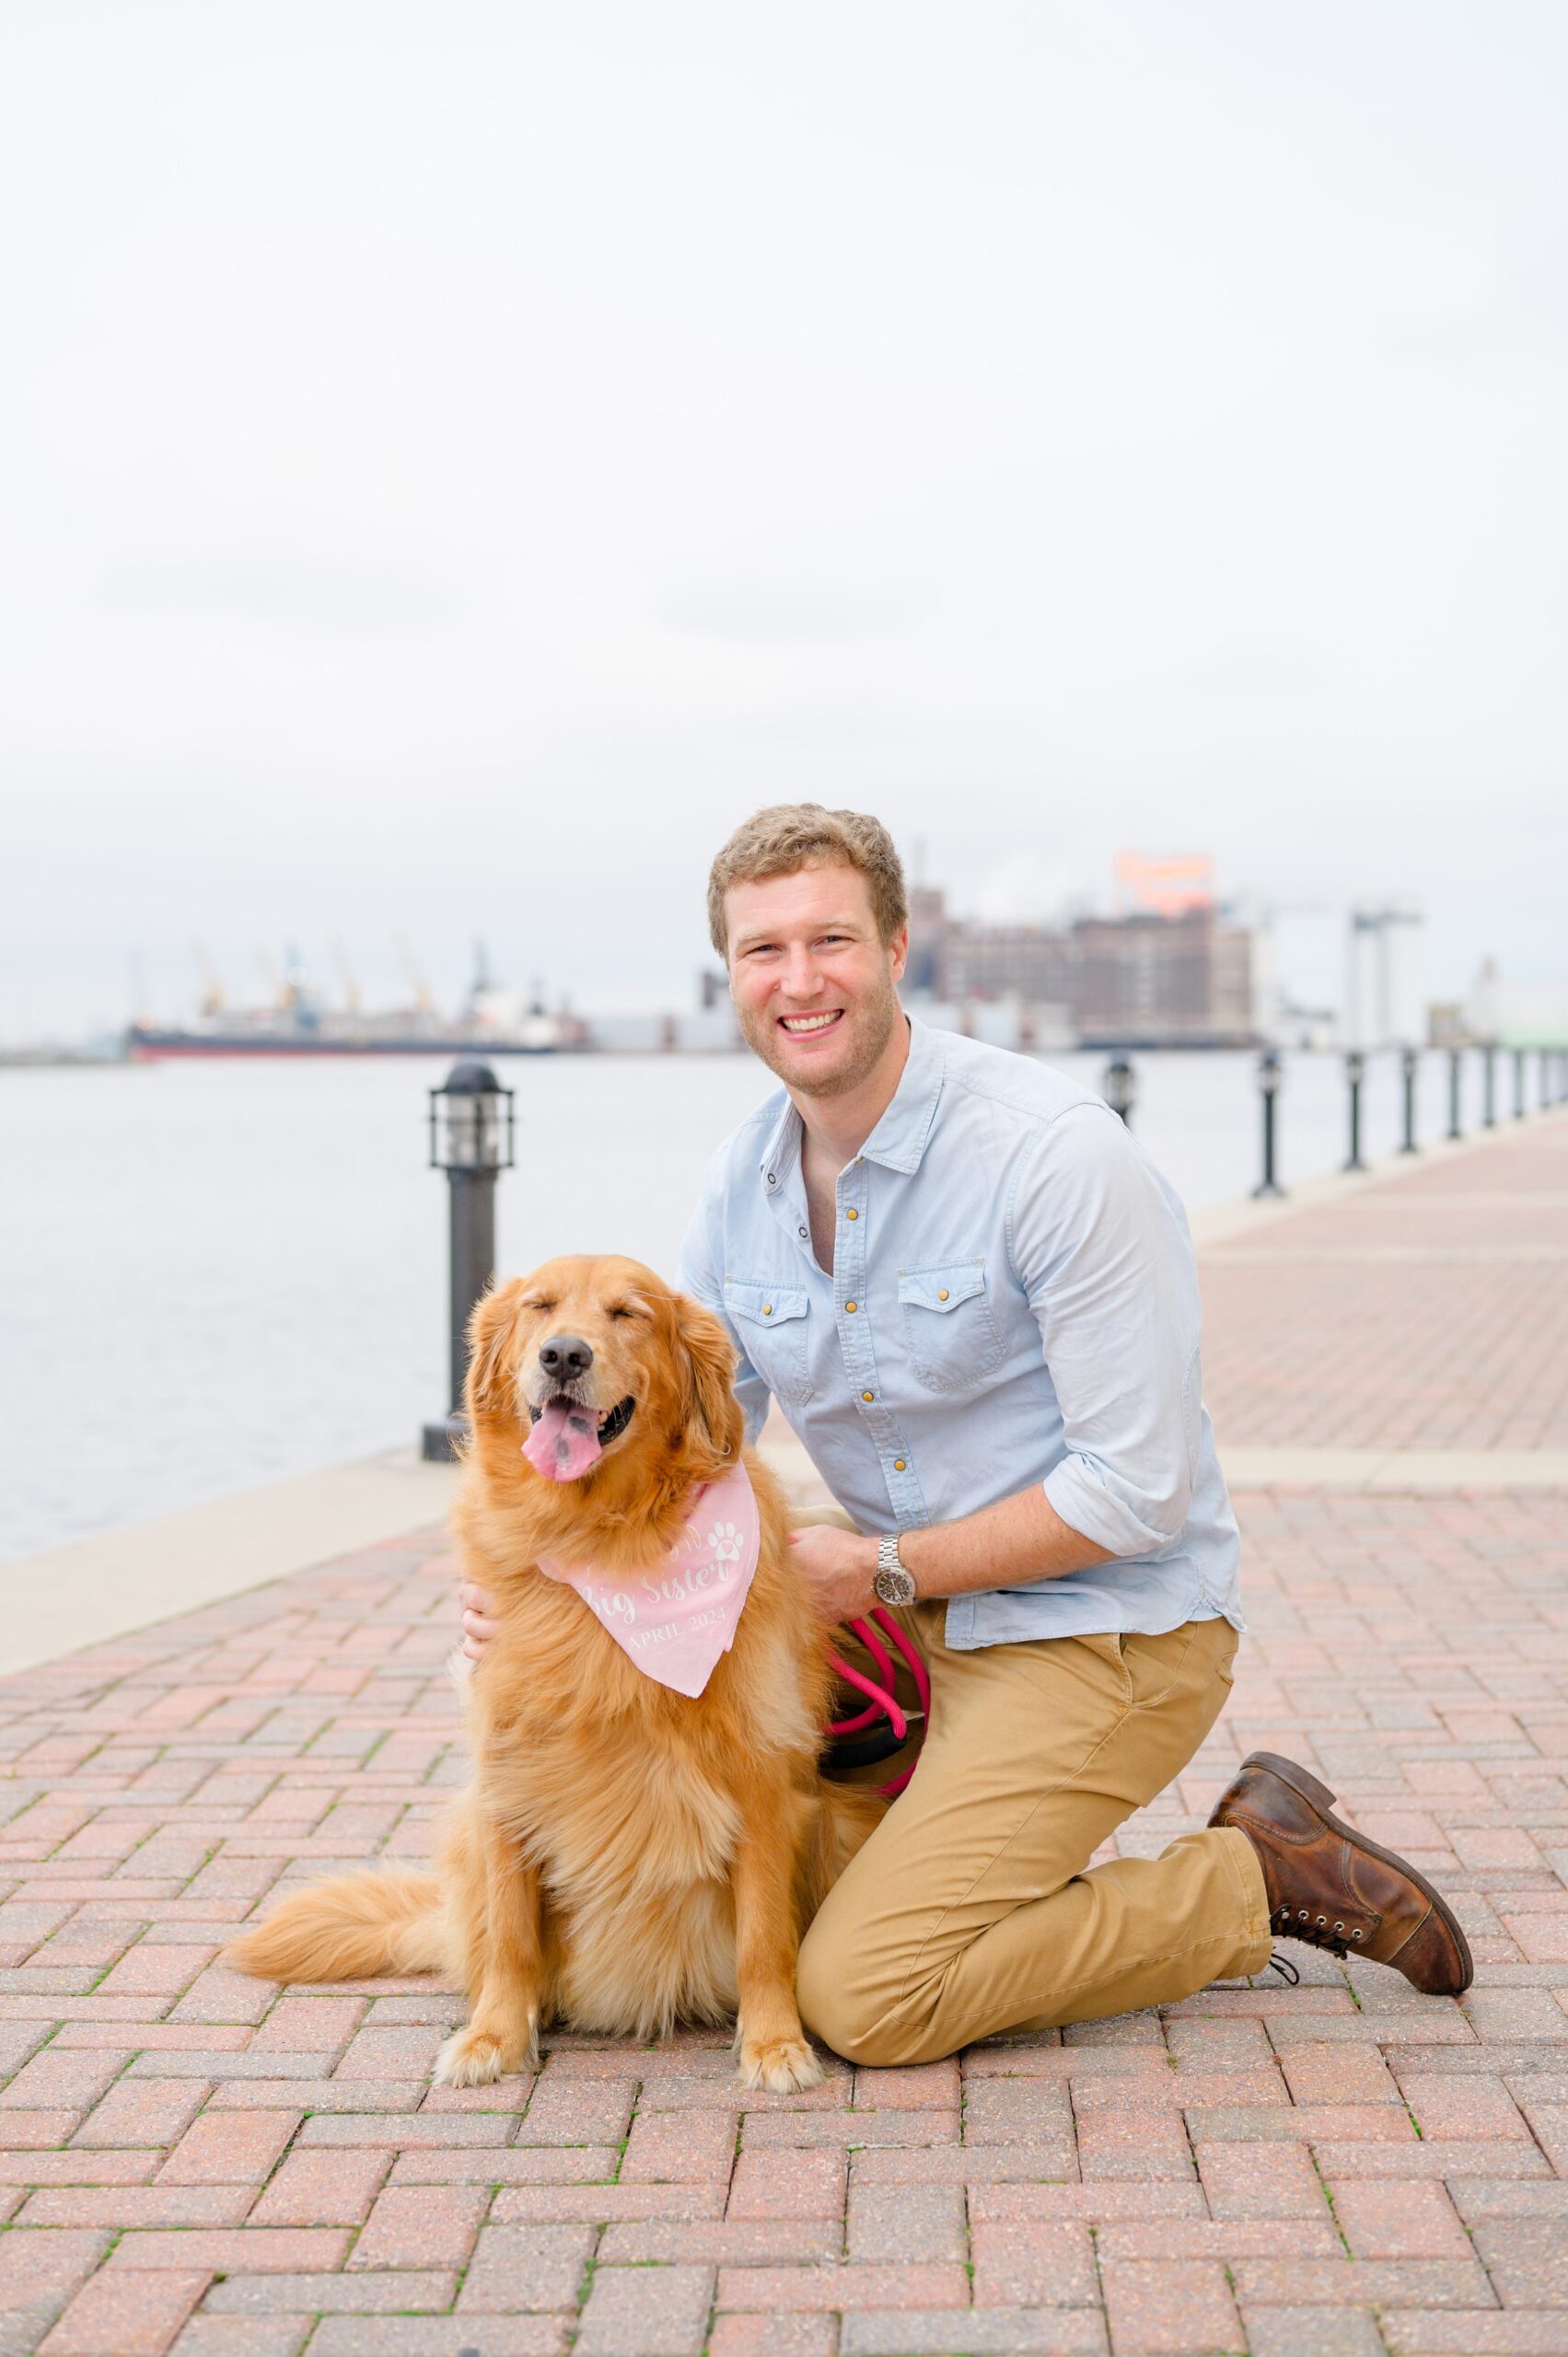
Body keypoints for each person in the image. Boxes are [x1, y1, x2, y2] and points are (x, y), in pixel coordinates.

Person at [460, 804, 1470, 2065]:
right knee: (785, 1870)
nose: (798, 980)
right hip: (901, 1624)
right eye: (762, 951)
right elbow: (685, 1441)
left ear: (895, 950)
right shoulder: (740, 1189)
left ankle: (1245, 1882)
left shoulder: (1053, 1159)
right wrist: (555, 1587)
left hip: (1102, 1633)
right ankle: (988, 1872)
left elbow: (1137, 1490)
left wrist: (880, 1571)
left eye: (829, 940)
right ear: (732, 978)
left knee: (868, 1998)